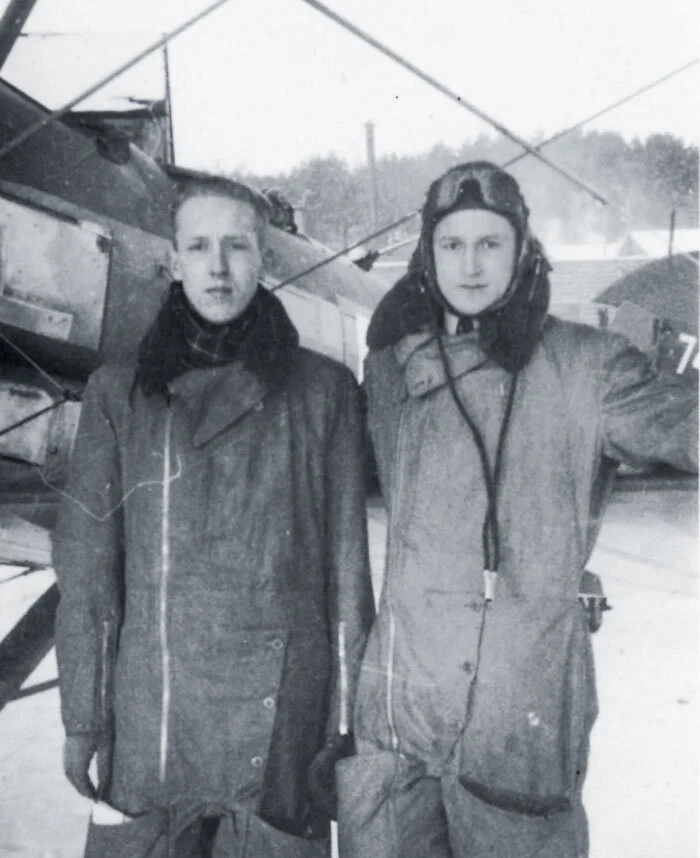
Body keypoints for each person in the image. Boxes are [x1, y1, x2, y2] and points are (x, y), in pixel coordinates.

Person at [337, 161, 697, 858]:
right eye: (452, 245)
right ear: (428, 255)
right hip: (399, 716)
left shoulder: (587, 366)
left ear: (523, 247)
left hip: (517, 718)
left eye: (490, 243)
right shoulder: (388, 371)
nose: (470, 265)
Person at [53, 168, 375, 857]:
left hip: (283, 720)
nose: (219, 266)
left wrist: (352, 729)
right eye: (199, 247)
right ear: (173, 262)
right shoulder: (117, 395)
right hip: (152, 725)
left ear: (264, 259)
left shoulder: (325, 395)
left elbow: (349, 581)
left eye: (237, 246)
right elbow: (87, 578)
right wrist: (84, 718)